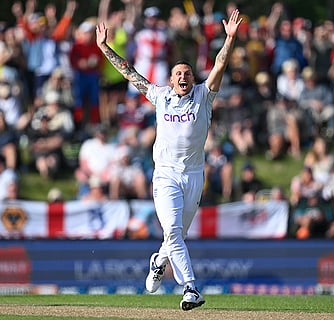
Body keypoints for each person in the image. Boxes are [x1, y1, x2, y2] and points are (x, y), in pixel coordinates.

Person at [96, 8, 242, 310]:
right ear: (171, 79)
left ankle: (158, 261)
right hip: (165, 175)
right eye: (178, 73)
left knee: (177, 235)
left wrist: (228, 40)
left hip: (193, 175)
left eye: (187, 73)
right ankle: (191, 288)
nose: (183, 76)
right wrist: (104, 47)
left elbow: (220, 64)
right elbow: (128, 72)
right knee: (174, 232)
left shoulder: (204, 95)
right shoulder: (159, 95)